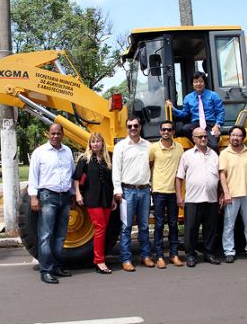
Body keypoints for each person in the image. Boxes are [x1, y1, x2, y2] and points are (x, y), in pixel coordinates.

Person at [27, 123, 75, 284]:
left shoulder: (67, 151)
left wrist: (73, 195)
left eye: (58, 133)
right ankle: (46, 270)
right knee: (46, 235)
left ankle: (56, 266)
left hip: (65, 196)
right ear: (48, 134)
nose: (55, 136)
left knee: (61, 236)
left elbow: (71, 174)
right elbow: (33, 177)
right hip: (47, 197)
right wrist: (33, 197)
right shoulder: (39, 152)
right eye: (52, 133)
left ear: (63, 134)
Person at [175, 127, 221, 267]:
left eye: (205, 136)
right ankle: (190, 255)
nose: (203, 139)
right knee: (191, 229)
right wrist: (179, 196)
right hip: (193, 199)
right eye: (199, 137)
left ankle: (209, 253)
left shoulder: (214, 154)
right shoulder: (187, 155)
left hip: (211, 199)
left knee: (210, 229)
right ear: (193, 139)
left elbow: (220, 177)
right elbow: (179, 178)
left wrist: (221, 195)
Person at [112, 116, 153, 272]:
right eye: (130, 126)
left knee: (144, 226)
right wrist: (118, 190)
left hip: (144, 190)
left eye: (136, 125)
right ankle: (126, 259)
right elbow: (116, 170)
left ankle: (146, 256)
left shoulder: (148, 146)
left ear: (140, 126)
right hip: (127, 191)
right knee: (126, 227)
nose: (133, 129)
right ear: (126, 128)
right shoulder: (121, 146)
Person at [73, 133, 117, 274]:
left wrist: (113, 199)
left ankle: (100, 259)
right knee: (100, 227)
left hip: (106, 198)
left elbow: (111, 181)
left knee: (104, 228)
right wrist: (78, 193)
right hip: (92, 198)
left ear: (102, 143)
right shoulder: (84, 159)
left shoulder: (107, 159)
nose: (96, 144)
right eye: (93, 142)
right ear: (90, 144)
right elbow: (76, 178)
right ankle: (99, 261)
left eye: (98, 141)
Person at [219, 125, 247, 263]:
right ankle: (229, 251)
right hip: (231, 195)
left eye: (238, 135)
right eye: (233, 135)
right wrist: (226, 193)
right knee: (229, 225)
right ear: (229, 136)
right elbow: (222, 174)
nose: (235, 138)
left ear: (243, 137)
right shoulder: (224, 153)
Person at [149, 120, 185, 268]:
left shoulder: (180, 149)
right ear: (160, 131)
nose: (166, 132)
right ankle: (159, 256)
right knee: (158, 225)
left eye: (169, 129)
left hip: (173, 192)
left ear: (173, 132)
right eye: (164, 129)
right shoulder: (154, 148)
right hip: (158, 191)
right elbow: (149, 165)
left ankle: (174, 254)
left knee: (173, 224)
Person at [166, 71, 225, 151]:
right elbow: (184, 114)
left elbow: (220, 112)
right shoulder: (188, 98)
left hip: (210, 124)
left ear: (204, 83)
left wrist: (217, 125)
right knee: (185, 129)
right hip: (196, 124)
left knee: (213, 146)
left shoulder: (213, 95)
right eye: (195, 82)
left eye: (201, 81)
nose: (198, 84)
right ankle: (199, 146)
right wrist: (173, 109)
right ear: (192, 84)